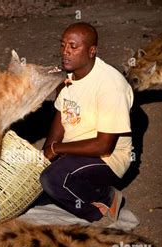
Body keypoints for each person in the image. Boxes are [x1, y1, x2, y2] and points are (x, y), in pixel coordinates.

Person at [39, 22, 134, 223]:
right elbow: (60, 119)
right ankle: (68, 189)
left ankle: (104, 199)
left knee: (52, 179)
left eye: (73, 47)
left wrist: (56, 149)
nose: (65, 52)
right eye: (63, 45)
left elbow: (104, 145)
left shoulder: (110, 85)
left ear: (92, 51)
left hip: (107, 160)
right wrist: (43, 156)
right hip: (73, 153)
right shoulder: (71, 78)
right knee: (37, 186)